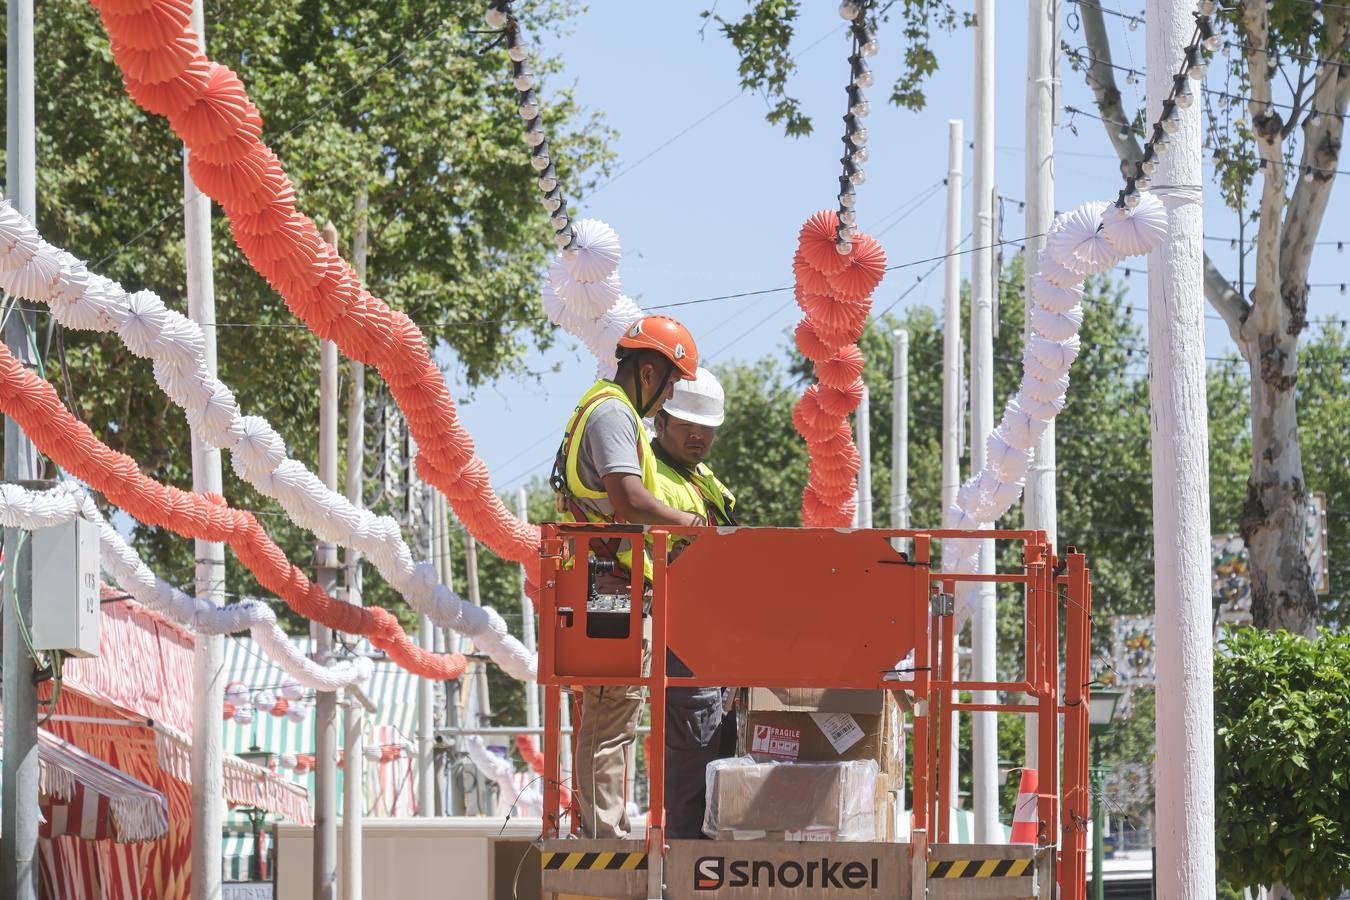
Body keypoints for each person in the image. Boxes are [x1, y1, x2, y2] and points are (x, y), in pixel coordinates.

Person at [550, 314, 703, 839]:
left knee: (614, 710)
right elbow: (629, 500)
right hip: (604, 584)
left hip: (604, 581)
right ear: (648, 372)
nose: (667, 399)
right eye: (670, 385)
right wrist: (690, 525)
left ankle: (605, 826)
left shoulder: (602, 407)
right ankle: (602, 835)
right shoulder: (614, 415)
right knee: (612, 711)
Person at [650, 367, 739, 840]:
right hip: (682, 629)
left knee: (720, 747)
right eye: (687, 426)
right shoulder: (656, 478)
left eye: (706, 428)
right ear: (660, 421)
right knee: (694, 750)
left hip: (714, 634)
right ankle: (684, 866)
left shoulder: (698, 477)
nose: (698, 436)